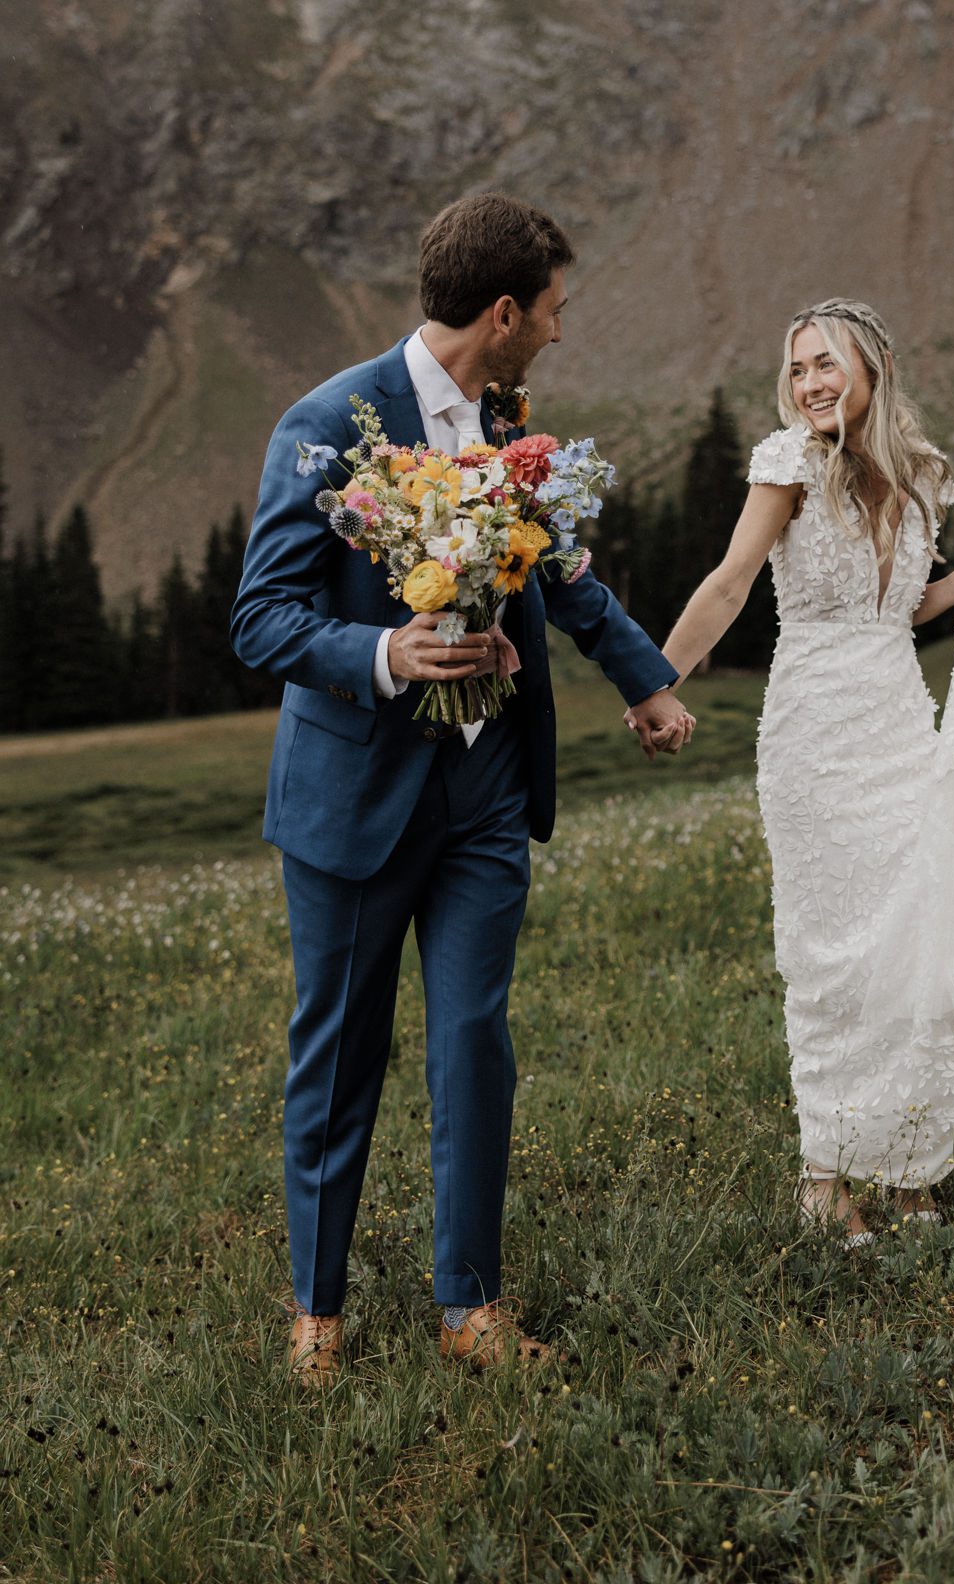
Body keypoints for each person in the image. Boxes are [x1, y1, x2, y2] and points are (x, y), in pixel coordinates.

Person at [232, 191, 695, 1377]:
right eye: (548, 311)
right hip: (354, 799)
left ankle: (468, 1306)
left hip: (483, 791)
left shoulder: (509, 421)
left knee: (475, 1040)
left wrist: (641, 677)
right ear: (499, 311)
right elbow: (261, 618)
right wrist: (387, 653)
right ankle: (317, 1314)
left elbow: (564, 567)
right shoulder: (329, 420)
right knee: (340, 1052)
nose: (555, 330)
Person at [651, 298, 954, 1239]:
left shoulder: (921, 478)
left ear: (874, 369)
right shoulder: (787, 465)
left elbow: (891, 610)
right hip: (815, 734)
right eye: (799, 368)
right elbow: (733, 582)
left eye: (827, 364)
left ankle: (908, 1161)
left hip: (901, 725)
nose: (810, 383)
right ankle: (826, 1175)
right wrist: (654, 680)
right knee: (831, 949)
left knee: (917, 930)